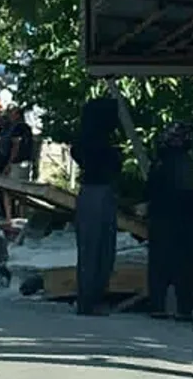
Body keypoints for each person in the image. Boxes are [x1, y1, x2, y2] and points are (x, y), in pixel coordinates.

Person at [72, 96, 123, 316]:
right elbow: (115, 166)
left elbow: (77, 153)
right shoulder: (103, 143)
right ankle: (93, 298)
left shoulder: (84, 139)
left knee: (88, 248)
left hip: (88, 192)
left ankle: (87, 297)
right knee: (101, 249)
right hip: (101, 192)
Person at [145, 121, 193, 322]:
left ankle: (157, 304)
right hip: (184, 220)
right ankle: (184, 307)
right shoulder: (185, 162)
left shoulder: (160, 161)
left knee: (159, 262)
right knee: (184, 265)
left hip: (160, 217)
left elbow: (150, 189)